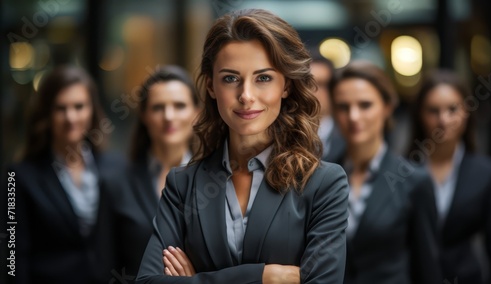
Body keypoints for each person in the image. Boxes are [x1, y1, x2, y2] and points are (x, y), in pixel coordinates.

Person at [136, 8, 349, 284]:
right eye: (230, 78)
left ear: (286, 85)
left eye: (263, 78)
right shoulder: (182, 185)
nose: (246, 96)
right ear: (211, 86)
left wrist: (197, 279)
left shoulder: (324, 184)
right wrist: (264, 276)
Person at [7, 65, 122, 284]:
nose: (71, 117)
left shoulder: (116, 167)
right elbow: (13, 255)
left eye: (79, 106)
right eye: (61, 108)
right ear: (47, 113)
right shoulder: (18, 177)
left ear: (92, 110)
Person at [329, 60, 442, 284]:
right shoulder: (321, 176)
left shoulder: (414, 181)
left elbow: (427, 267)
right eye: (343, 106)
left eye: (365, 105)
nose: (353, 116)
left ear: (387, 107)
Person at [407, 69, 491, 284]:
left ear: (466, 112)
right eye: (433, 110)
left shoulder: (486, 172)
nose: (443, 120)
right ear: (420, 114)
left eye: (452, 109)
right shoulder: (402, 170)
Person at [111, 65, 200, 278]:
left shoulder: (220, 177)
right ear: (143, 115)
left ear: (197, 112)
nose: (169, 116)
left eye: (179, 106)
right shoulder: (116, 183)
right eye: (158, 107)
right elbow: (103, 266)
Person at [309, 51, 345, 162]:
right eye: (307, 83)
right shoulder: (280, 137)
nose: (313, 91)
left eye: (321, 84)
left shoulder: (349, 136)